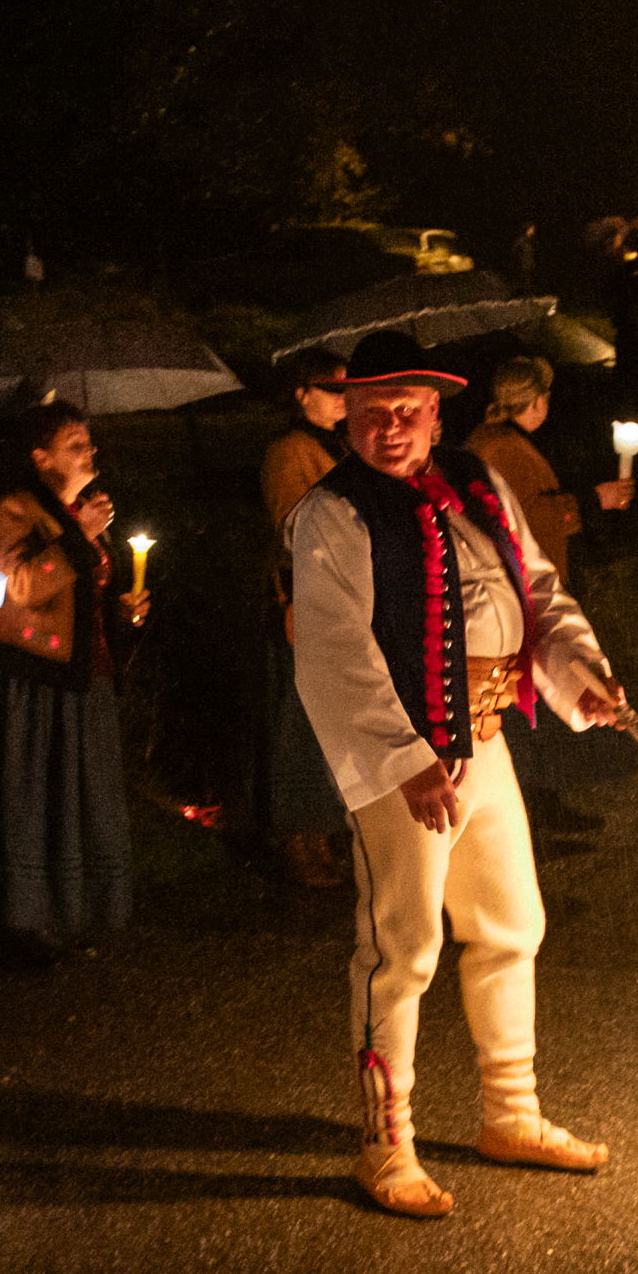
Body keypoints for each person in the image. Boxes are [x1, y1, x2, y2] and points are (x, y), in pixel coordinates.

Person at [288, 330, 627, 1218]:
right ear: (348, 420)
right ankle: (384, 1145)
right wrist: (404, 762)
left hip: (487, 741)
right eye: (371, 414)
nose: (391, 429)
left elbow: (538, 589)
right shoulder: (333, 513)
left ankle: (509, 1114)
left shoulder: (478, 483)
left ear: (436, 414)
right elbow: (332, 652)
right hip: (409, 762)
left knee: (513, 923)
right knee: (402, 951)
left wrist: (579, 676)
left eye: (407, 412)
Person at [0, 402, 147, 962]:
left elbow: (80, 596)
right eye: (76, 444)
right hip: (38, 682)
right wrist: (78, 538)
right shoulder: (17, 511)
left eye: (90, 443)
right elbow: (15, 588)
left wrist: (123, 611)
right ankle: (27, 921)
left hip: (85, 678)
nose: (90, 452)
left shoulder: (75, 513)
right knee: (38, 798)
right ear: (40, 457)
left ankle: (77, 911)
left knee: (83, 797)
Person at [468, 355, 635, 835]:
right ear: (537, 400)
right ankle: (536, 810)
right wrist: (589, 502)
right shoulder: (503, 449)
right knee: (522, 719)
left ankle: (537, 808)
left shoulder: (496, 443)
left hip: (524, 603)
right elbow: (529, 523)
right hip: (510, 605)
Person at [258, 350, 351, 890]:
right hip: (305, 608)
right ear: (301, 394)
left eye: (348, 389)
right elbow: (296, 530)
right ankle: (301, 839)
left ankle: (323, 833)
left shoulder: (334, 446)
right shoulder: (291, 450)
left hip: (337, 607)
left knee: (328, 725)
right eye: (332, 388)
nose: (344, 397)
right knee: (302, 725)